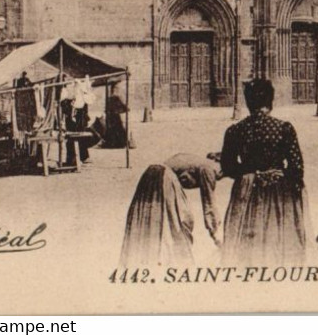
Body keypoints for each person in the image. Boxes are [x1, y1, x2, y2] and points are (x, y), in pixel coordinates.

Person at [220, 78, 307, 264]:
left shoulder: (235, 130)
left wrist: (251, 174)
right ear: (270, 102)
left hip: (247, 190)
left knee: (247, 244)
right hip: (279, 191)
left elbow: (227, 166)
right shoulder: (284, 128)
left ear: (248, 102)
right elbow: (297, 167)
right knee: (278, 239)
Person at [120, 154, 223, 268]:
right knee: (179, 224)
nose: (221, 175)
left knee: (159, 221)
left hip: (151, 175)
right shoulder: (208, 168)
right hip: (163, 178)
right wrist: (216, 237)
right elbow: (209, 204)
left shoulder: (201, 162)